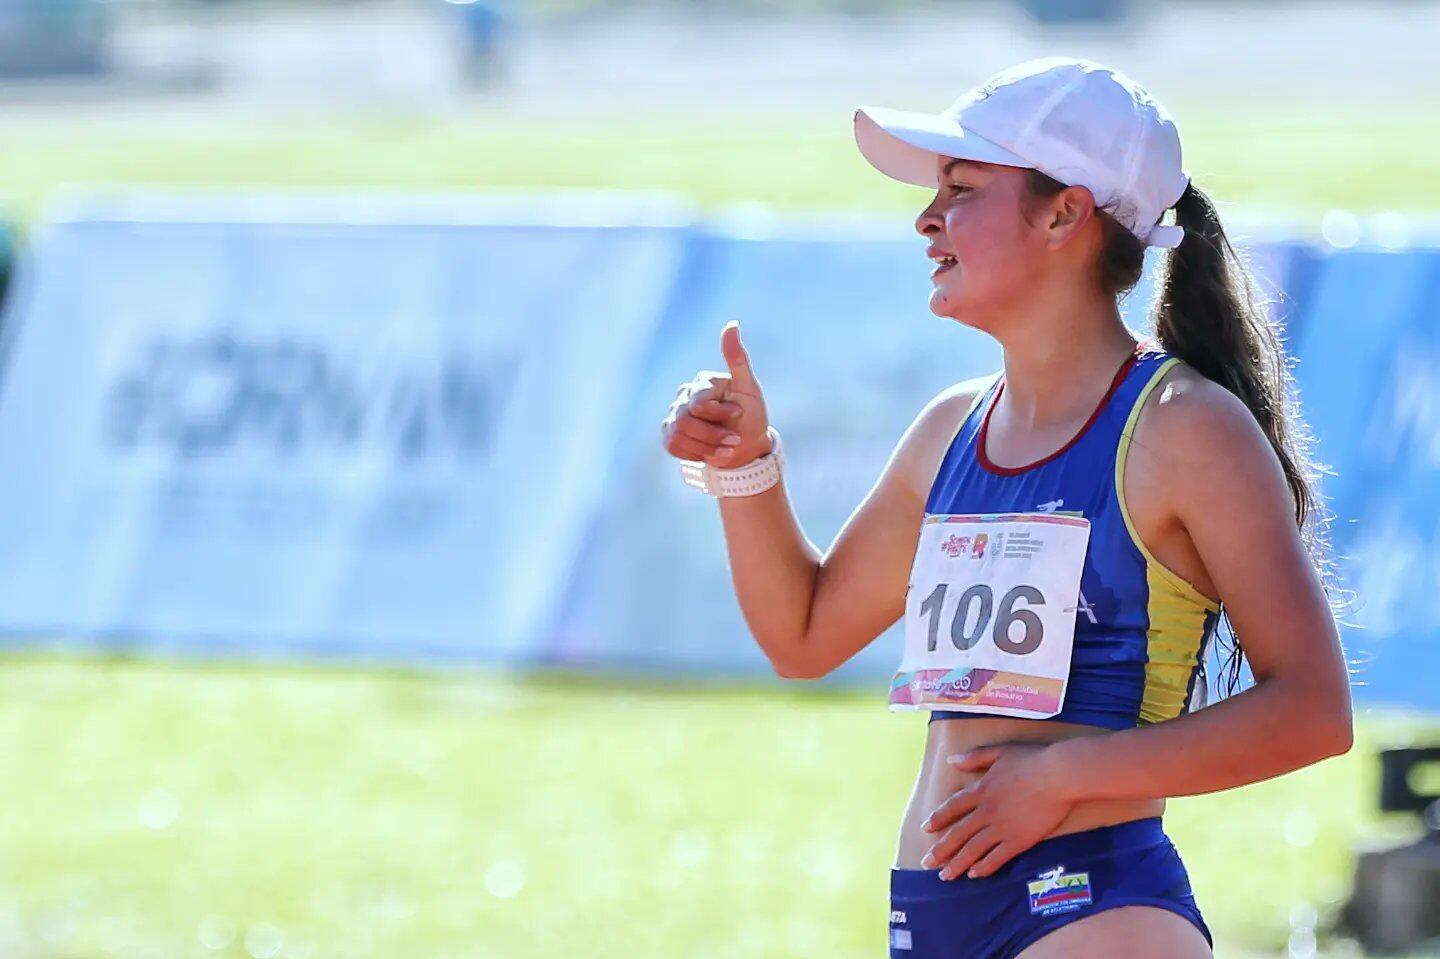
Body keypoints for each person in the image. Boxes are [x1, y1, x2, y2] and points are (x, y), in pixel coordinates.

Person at [659, 57, 1352, 958]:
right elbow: (803, 633)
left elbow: (1312, 709)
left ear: (1066, 211)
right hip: (933, 916)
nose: (926, 217)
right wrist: (745, 464)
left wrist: (1069, 773)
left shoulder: (1186, 430)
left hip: (1095, 909)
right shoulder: (952, 425)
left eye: (962, 187)